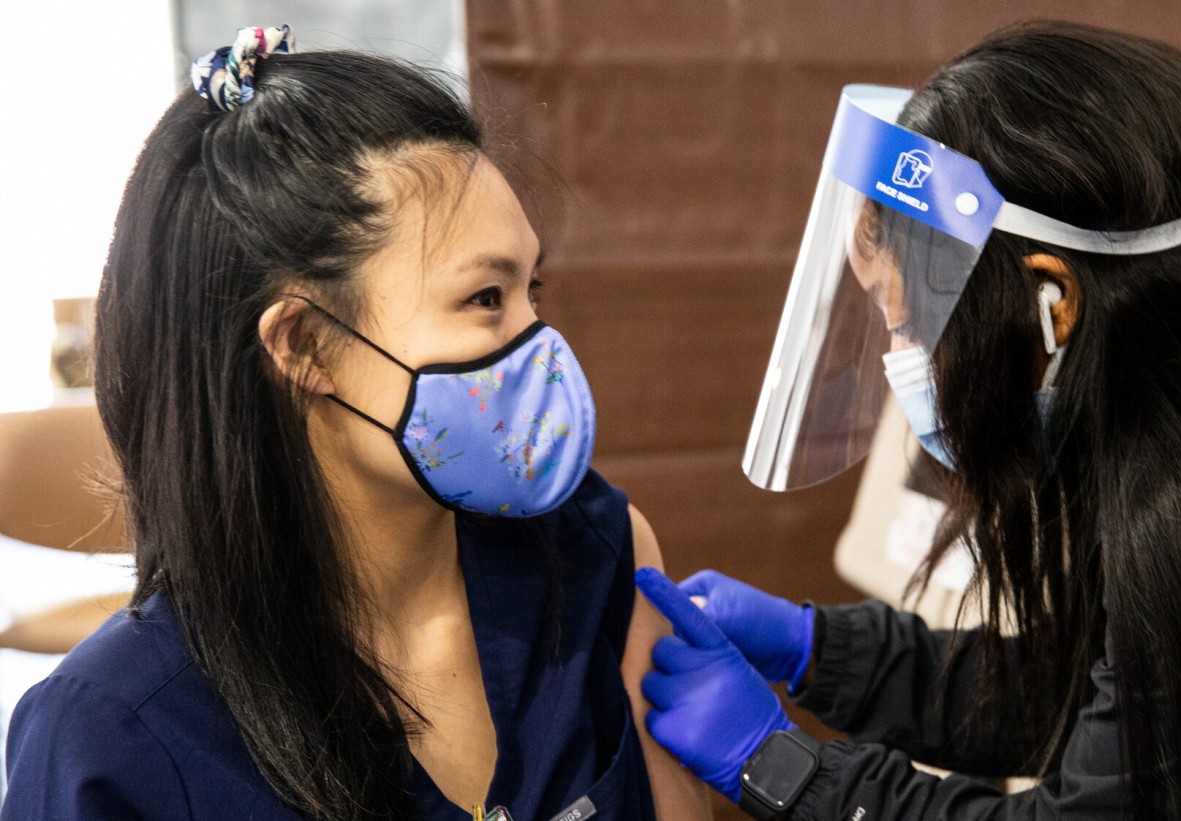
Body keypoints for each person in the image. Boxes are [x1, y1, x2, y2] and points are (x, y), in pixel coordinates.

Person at [633, 20, 1181, 821]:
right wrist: (821, 650)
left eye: (908, 325)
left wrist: (781, 766)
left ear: (1051, 302)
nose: (900, 364)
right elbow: (1125, 701)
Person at [0, 25, 709, 821]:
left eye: (530, 291)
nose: (539, 346)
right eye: (484, 299)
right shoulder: (114, 739)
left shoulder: (596, 555)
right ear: (306, 345)